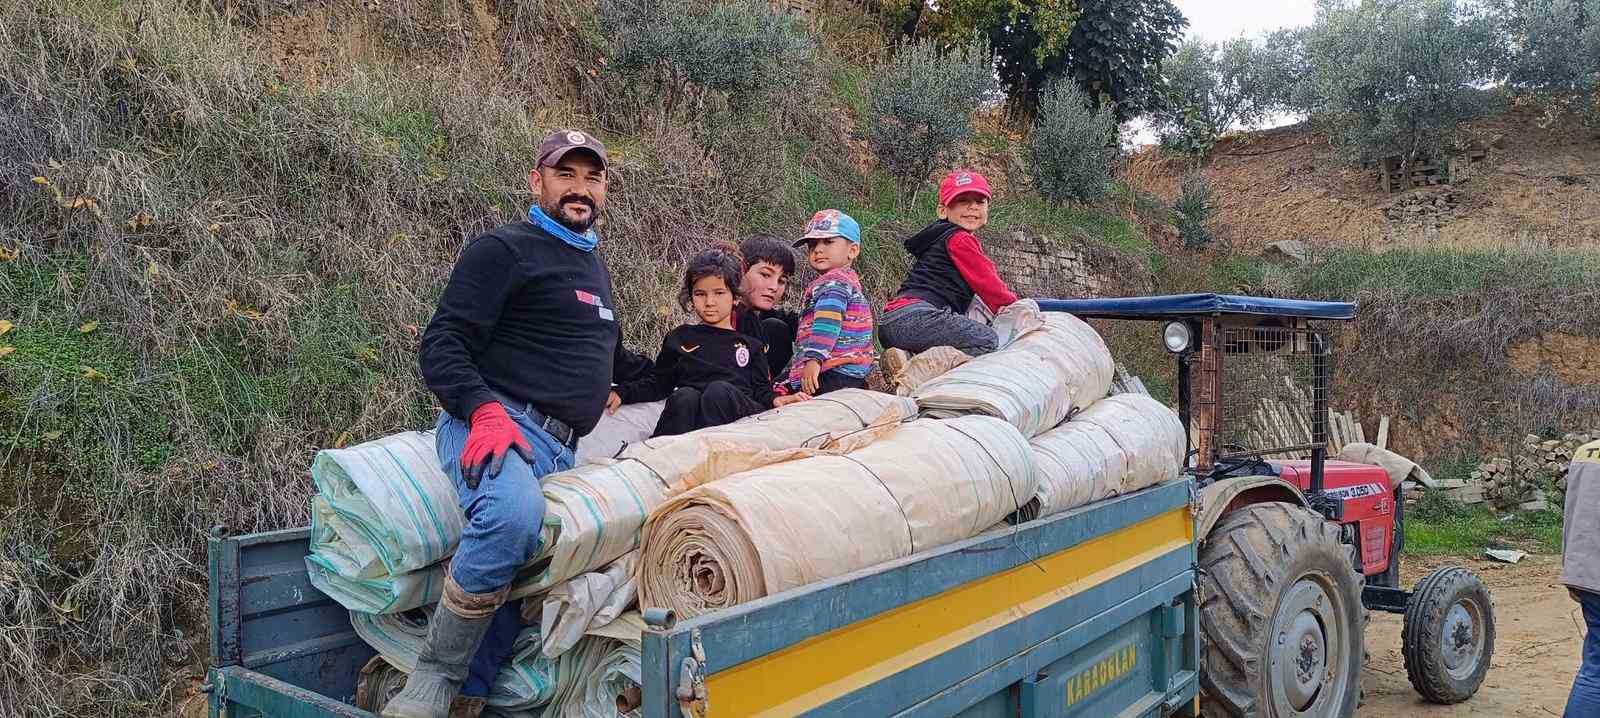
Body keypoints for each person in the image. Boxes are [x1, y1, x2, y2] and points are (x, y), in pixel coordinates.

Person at [388, 129, 646, 718]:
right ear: (538, 182)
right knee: (511, 514)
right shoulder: (504, 250)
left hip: (561, 447)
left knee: (534, 550)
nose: (581, 189)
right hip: (498, 424)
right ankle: (433, 676)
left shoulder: (592, 268)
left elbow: (612, 360)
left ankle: (470, 697)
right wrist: (481, 410)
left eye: (593, 178)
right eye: (567, 175)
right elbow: (444, 342)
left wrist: (698, 369)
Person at [609, 245, 797, 437]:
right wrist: (623, 393)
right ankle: (660, 455)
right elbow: (659, 383)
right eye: (700, 294)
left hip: (739, 424)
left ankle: (714, 457)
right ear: (691, 296)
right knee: (684, 396)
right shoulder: (679, 338)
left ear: (735, 297)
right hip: (695, 419)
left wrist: (776, 399)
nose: (709, 302)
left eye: (719, 293)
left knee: (718, 392)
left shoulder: (750, 345)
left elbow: (761, 391)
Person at [877, 169, 1019, 365]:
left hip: (893, 321)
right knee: (987, 340)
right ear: (943, 211)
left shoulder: (938, 238)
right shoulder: (960, 239)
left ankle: (905, 358)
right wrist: (1018, 307)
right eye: (963, 201)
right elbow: (991, 288)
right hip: (919, 318)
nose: (972, 207)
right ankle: (917, 373)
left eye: (980, 201)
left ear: (987, 209)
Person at [774, 209, 875, 398]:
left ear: (852, 250)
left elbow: (828, 323)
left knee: (777, 391)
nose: (818, 249)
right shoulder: (848, 282)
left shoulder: (833, 283)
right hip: (849, 372)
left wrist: (813, 360)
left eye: (828, 242)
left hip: (831, 371)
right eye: (813, 244)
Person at [1564, 438, 1600, 718]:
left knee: (1595, 668)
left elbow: (1571, 513)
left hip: (1585, 572)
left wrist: (1572, 569)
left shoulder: (1585, 452)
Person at [732, 233, 800, 376]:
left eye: (782, 281)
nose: (774, 287)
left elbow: (796, 322)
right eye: (765, 275)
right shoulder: (724, 315)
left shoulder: (758, 315)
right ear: (741, 269)